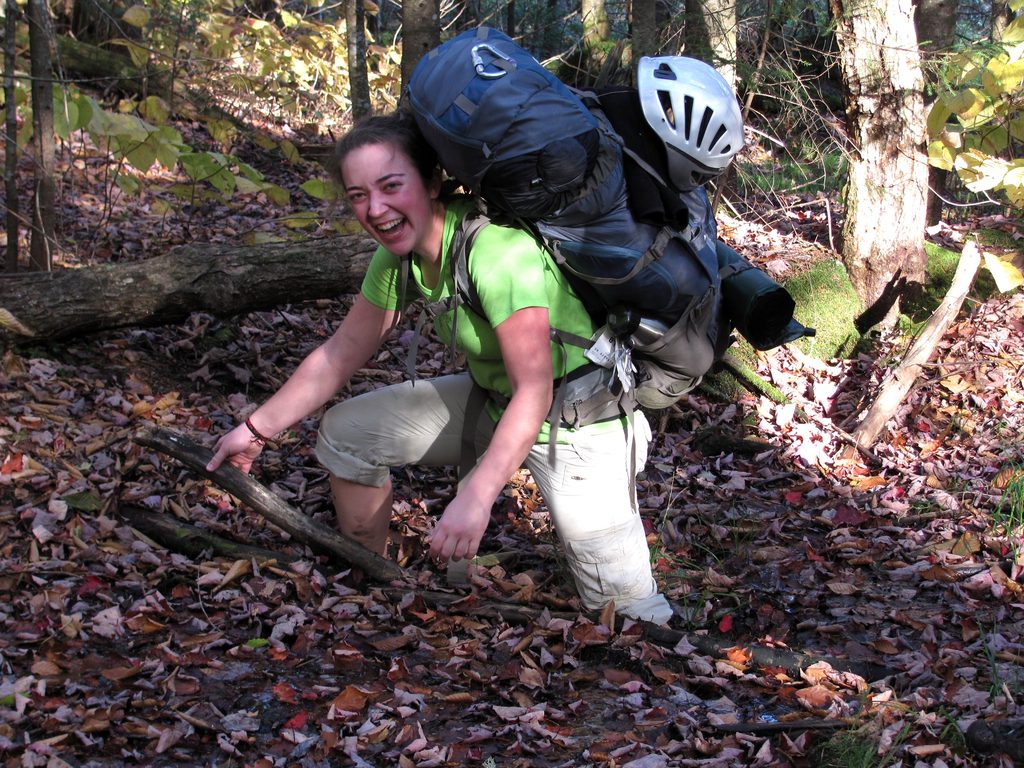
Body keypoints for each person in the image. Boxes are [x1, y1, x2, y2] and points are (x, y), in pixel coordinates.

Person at [206, 110, 673, 625]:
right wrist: (256, 429)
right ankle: (374, 582)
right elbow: (340, 354)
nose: (375, 209)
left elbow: (534, 391)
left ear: (432, 182)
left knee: (629, 616)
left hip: (579, 420)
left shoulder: (496, 253)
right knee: (347, 433)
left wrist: (477, 495)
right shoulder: (399, 257)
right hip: (497, 402)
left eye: (390, 186)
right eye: (358, 195)